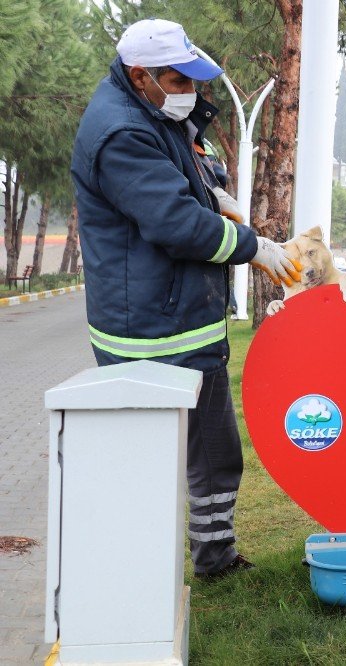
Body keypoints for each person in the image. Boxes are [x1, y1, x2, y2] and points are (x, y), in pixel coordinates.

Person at [71, 19, 300, 580]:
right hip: (150, 334)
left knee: (215, 455)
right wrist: (256, 248)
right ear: (139, 75)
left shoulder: (151, 111)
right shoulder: (120, 133)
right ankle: (135, 574)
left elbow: (184, 171)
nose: (190, 92)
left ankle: (214, 558)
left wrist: (213, 187)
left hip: (183, 323)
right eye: (179, 80)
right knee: (150, 462)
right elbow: (176, 225)